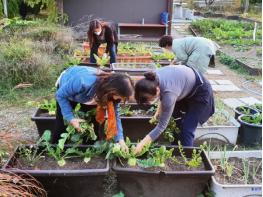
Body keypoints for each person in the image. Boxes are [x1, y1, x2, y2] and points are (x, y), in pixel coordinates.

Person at [133, 65, 214, 153]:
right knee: (176, 121)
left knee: (187, 128)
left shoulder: (169, 95)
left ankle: (187, 157)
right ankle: (175, 150)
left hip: (200, 91)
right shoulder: (152, 78)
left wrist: (142, 144)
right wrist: (158, 111)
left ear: (157, 90)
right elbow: (163, 90)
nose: (149, 102)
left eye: (150, 99)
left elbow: (161, 126)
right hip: (183, 86)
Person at [54, 66, 134, 151]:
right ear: (113, 90)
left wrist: (120, 140)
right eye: (120, 96)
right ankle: (55, 147)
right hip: (68, 91)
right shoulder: (82, 81)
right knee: (62, 123)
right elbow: (60, 95)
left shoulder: (111, 96)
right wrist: (70, 118)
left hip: (90, 95)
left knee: (93, 124)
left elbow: (115, 116)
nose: (120, 100)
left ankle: (89, 148)